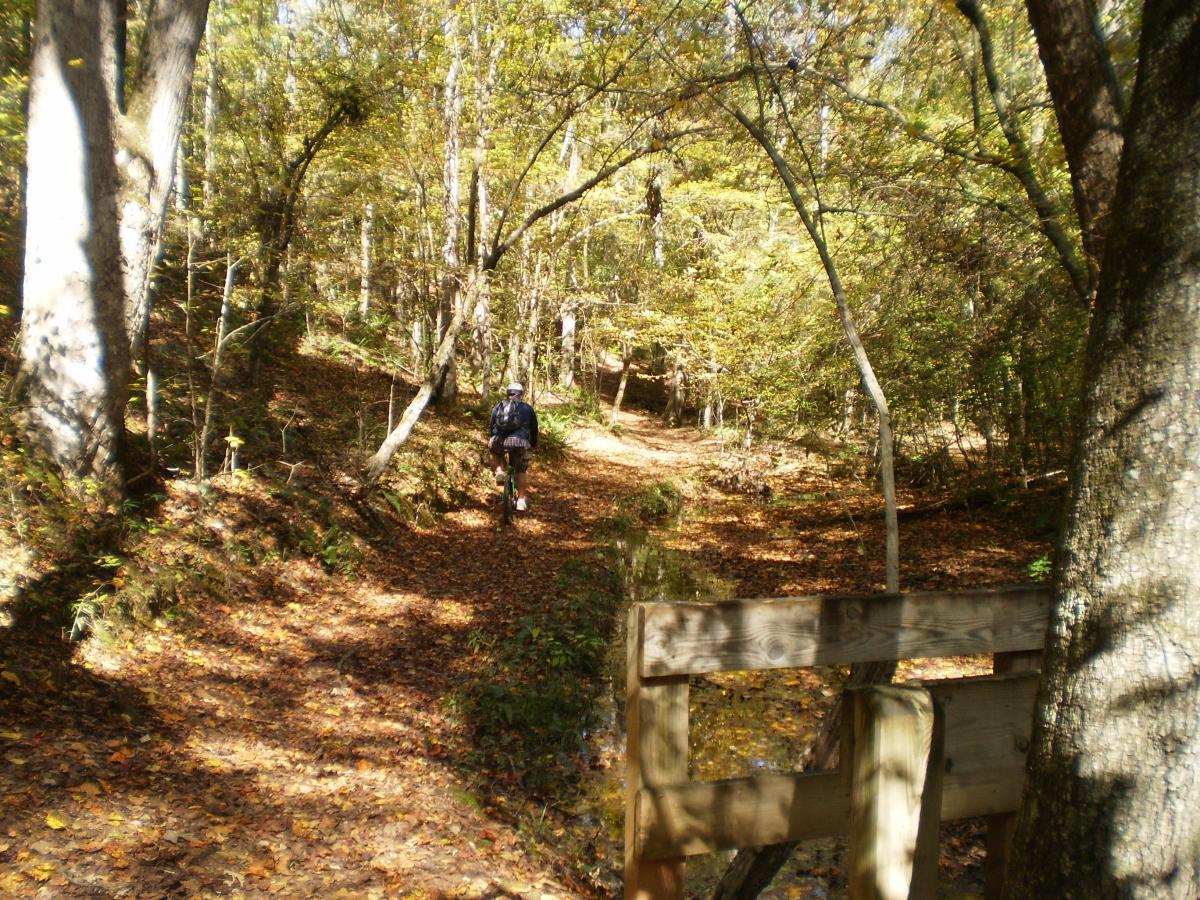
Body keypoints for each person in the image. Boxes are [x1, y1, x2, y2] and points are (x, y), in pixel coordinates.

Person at [488, 382, 538, 511]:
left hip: (500, 440)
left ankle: (499, 472)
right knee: (520, 471)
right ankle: (521, 501)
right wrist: (533, 443)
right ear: (520, 394)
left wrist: (494, 438)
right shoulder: (527, 408)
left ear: (507, 393)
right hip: (520, 442)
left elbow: (492, 425)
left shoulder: (498, 406)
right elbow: (534, 428)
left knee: (494, 451)